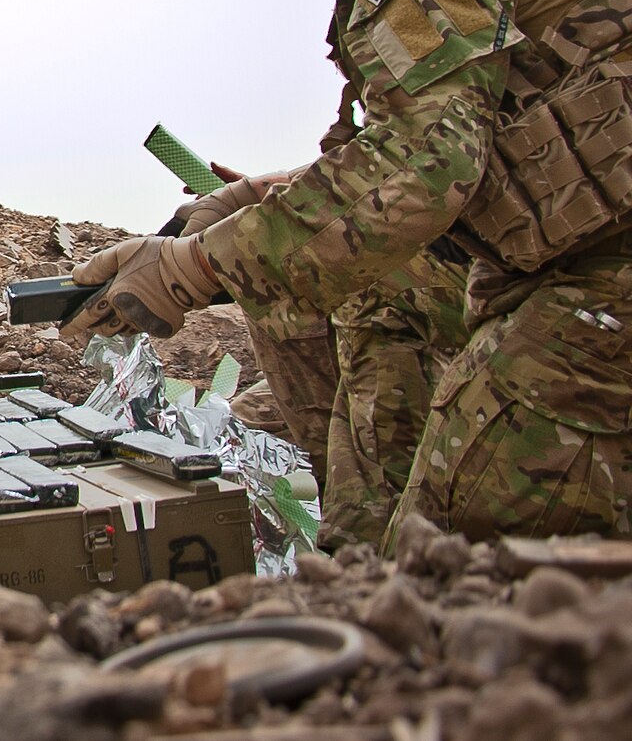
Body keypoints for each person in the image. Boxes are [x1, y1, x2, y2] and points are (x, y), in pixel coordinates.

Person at [65, 0, 632, 545]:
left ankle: (396, 584)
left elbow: (420, 171)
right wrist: (249, 200)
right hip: (581, 255)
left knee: (448, 551)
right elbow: (457, 141)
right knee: (352, 289)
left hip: (602, 284)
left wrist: (186, 272)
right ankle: (361, 546)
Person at [173, 131, 470, 548]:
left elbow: (419, 171)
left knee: (299, 262)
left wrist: (266, 212)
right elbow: (382, 156)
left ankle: (366, 526)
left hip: (464, 303)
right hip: (406, 297)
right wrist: (252, 193)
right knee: (238, 432)